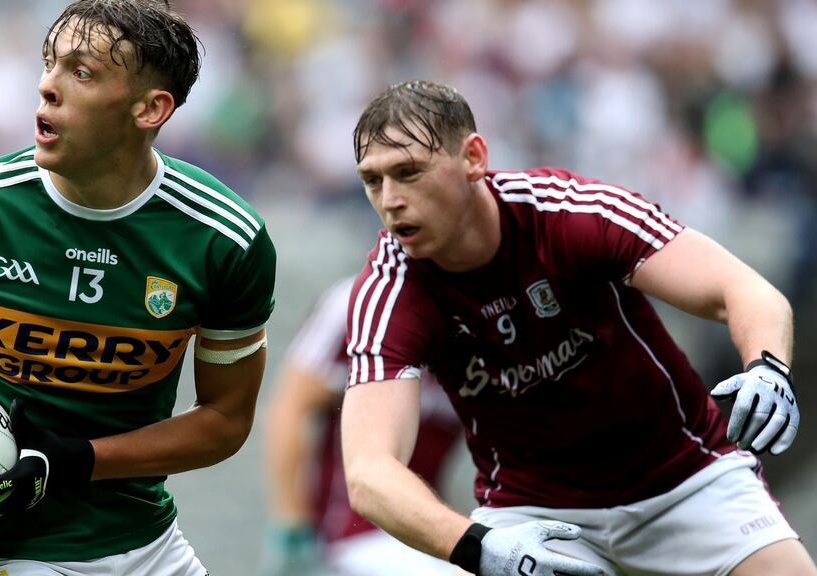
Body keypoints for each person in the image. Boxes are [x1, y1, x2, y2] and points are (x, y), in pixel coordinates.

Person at [0, 2, 276, 575]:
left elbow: (224, 420)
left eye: (81, 72)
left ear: (150, 108)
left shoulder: (225, 240)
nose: (46, 86)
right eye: (48, 63)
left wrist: (79, 460)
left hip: (151, 549)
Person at [340, 80, 815, 576]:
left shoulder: (570, 213)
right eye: (372, 181)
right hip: (535, 517)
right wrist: (478, 546)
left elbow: (742, 291)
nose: (390, 199)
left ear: (474, 158)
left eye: (408, 172)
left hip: (686, 480)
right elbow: (369, 473)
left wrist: (768, 368)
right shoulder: (390, 291)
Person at [260, 276, 463, 576]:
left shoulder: (485, 320)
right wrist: (291, 525)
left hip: (427, 540)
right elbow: (289, 408)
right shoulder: (358, 303)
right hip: (348, 540)